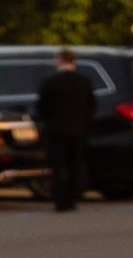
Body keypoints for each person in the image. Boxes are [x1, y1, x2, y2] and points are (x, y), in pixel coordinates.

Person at [37, 46, 97, 212]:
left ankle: (59, 200)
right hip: (77, 130)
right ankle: (71, 199)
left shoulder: (50, 82)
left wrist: (49, 120)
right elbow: (91, 105)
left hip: (56, 130)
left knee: (57, 166)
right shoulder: (84, 81)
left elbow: (42, 107)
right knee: (74, 164)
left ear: (61, 60)